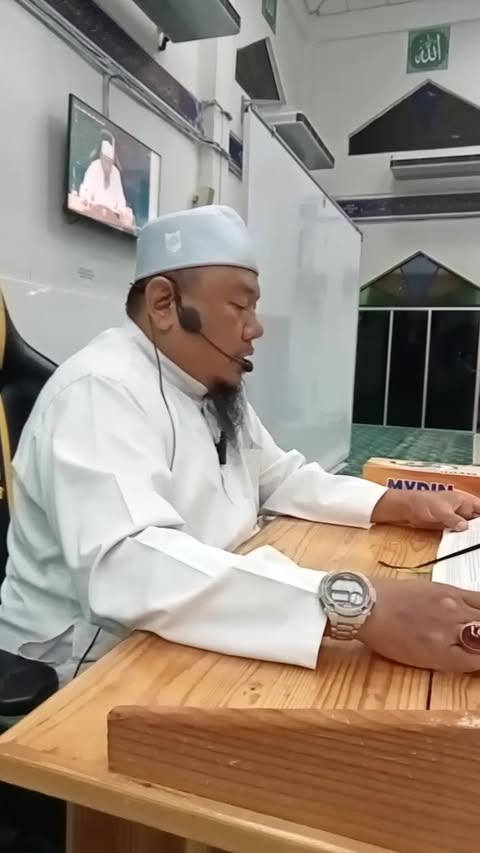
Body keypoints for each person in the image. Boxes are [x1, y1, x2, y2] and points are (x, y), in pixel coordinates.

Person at [1, 205, 480, 686]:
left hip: (202, 619)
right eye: (240, 305)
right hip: (85, 664)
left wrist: (401, 503)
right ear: (164, 303)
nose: (256, 327)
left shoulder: (207, 385)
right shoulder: (98, 391)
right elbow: (126, 565)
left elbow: (280, 477)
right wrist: (350, 605)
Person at [79, 136, 129, 217]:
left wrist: (121, 210)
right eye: (106, 162)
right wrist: (85, 199)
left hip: (111, 218)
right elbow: (85, 191)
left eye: (110, 163)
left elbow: (121, 200)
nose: (108, 167)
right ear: (101, 158)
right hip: (93, 214)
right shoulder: (94, 167)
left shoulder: (115, 173)